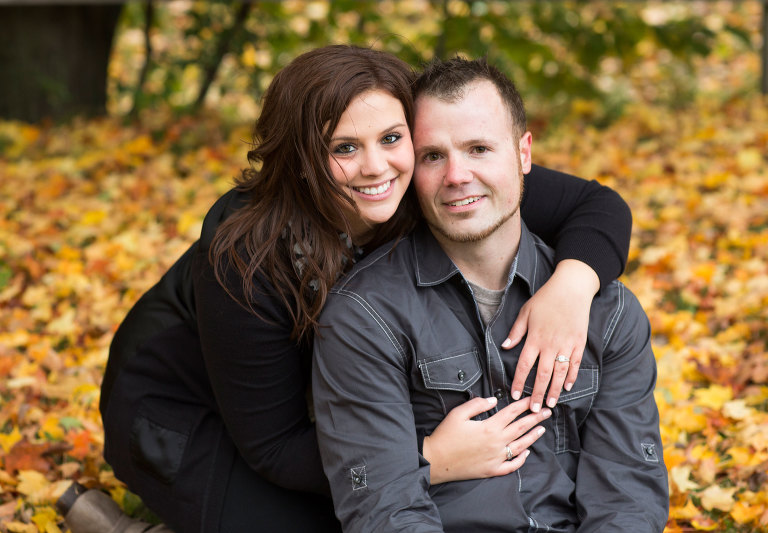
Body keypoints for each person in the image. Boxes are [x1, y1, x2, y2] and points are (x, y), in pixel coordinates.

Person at [85, 46, 632, 533]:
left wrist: (571, 287)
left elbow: (599, 206)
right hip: (183, 412)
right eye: (344, 147)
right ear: (302, 159)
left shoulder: (430, 178)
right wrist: (430, 458)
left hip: (320, 410)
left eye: (393, 139)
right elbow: (273, 446)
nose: (376, 167)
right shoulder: (246, 262)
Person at [313, 56, 668, 532]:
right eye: (432, 156)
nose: (457, 175)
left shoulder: (607, 311)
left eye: (478, 148)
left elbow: (627, 498)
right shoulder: (365, 316)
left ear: (523, 155)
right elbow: (384, 510)